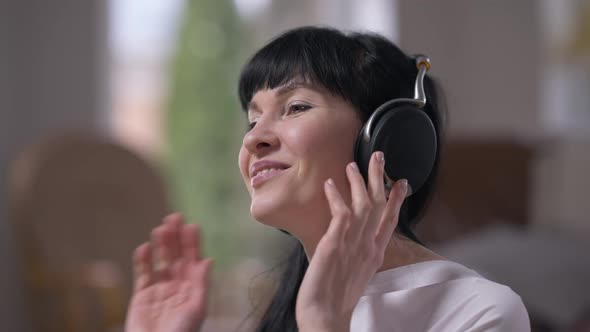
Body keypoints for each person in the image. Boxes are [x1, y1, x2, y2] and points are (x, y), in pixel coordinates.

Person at [124, 26, 530, 332]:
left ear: (386, 140)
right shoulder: (280, 313)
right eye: (252, 119)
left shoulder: (480, 311)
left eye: (296, 107)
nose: (253, 138)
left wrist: (325, 322)